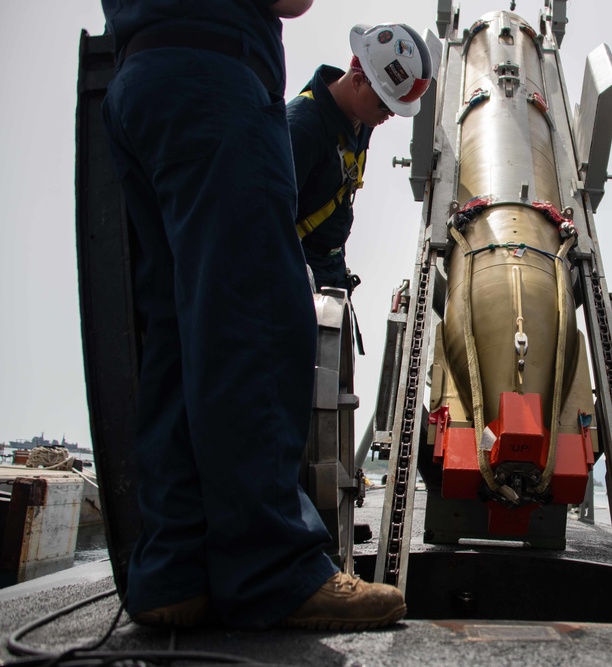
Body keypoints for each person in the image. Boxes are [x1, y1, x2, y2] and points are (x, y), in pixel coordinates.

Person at [100, 0, 406, 630]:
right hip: (216, 72)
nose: (380, 117)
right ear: (355, 74)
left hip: (141, 72)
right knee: (253, 326)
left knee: (176, 336)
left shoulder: (346, 136)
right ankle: (272, 571)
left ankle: (172, 573)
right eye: (379, 100)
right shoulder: (306, 124)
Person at [290, 22, 431, 294]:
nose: (388, 116)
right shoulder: (301, 128)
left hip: (330, 266)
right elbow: (266, 222)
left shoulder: (361, 118)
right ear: (357, 81)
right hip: (299, 268)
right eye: (385, 105)